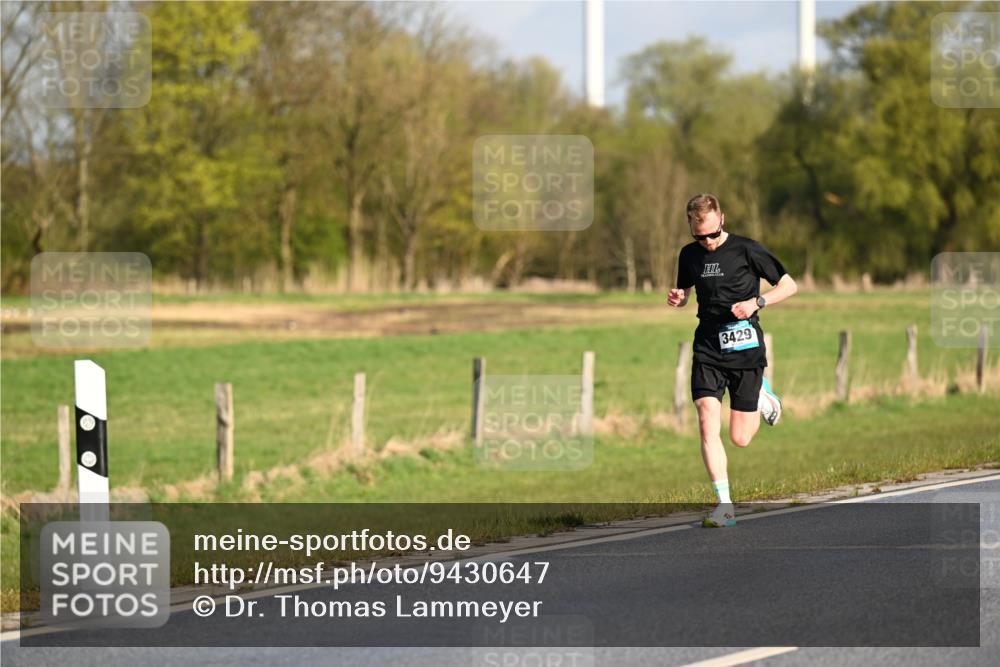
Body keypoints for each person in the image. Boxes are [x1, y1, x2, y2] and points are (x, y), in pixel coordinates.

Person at [667, 194, 797, 527]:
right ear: (691, 228)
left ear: (721, 219)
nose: (707, 242)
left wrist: (757, 302)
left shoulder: (747, 249)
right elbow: (684, 292)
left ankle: (763, 395)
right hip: (708, 346)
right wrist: (679, 298)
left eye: (712, 234)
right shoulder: (689, 255)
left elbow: (789, 285)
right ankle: (724, 506)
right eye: (700, 237)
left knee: (740, 438)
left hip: (745, 347)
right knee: (706, 416)